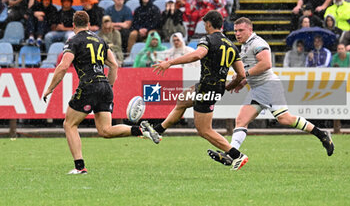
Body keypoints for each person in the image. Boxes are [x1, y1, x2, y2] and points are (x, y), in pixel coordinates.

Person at [43, 11, 160, 174]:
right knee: (105, 130)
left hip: (89, 85)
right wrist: (108, 86)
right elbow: (114, 65)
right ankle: (141, 130)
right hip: (104, 86)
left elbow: (63, 66)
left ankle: (80, 167)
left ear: (74, 25)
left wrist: (50, 88)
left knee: (69, 124)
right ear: (89, 24)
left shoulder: (73, 41)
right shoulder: (101, 41)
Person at [219, 17, 334, 171]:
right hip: (257, 89)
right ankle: (232, 154)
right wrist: (243, 82)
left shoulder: (257, 43)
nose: (237, 34)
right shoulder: (245, 45)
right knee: (241, 120)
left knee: (284, 119)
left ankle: (321, 134)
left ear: (250, 30)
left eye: (241, 30)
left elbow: (266, 64)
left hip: (269, 86)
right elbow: (253, 69)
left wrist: (244, 75)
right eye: (236, 31)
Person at [153, 10, 248, 170]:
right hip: (212, 86)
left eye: (205, 24)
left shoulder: (208, 40)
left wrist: (170, 63)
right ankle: (158, 131)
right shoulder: (232, 46)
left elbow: (198, 55)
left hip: (207, 87)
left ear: (209, 24)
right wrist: (229, 86)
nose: (204, 27)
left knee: (204, 130)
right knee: (183, 100)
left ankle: (236, 155)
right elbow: (241, 74)